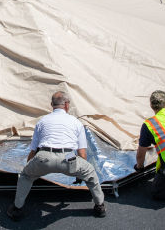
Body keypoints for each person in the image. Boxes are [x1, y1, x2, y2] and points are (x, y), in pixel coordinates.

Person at [7, 91, 106, 221]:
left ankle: (17, 208)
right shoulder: (76, 122)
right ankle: (100, 207)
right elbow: (82, 153)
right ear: (66, 105)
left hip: (44, 156)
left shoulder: (42, 121)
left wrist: (29, 166)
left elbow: (33, 150)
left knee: (25, 176)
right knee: (91, 174)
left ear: (51, 105)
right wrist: (79, 173)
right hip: (68, 157)